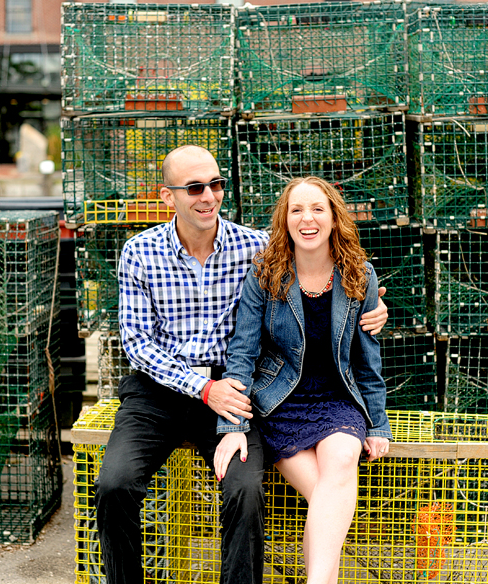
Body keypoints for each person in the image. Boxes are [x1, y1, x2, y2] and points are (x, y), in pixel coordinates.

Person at [92, 146, 388, 584]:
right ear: (167, 196)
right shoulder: (140, 252)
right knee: (114, 485)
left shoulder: (256, 248)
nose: (208, 196)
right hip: (160, 391)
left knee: (246, 490)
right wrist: (201, 388)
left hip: (234, 389)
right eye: (195, 187)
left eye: (216, 184)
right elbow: (138, 344)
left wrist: (377, 307)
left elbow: (321, 266)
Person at [213, 176, 392, 584]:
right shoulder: (266, 274)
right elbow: (242, 353)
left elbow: (367, 358)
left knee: (343, 461)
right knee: (329, 499)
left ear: (333, 218)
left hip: (337, 399)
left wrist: (377, 422)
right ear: (285, 219)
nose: (307, 218)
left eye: (317, 209)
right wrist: (234, 424)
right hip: (279, 402)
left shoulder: (359, 274)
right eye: (297, 209)